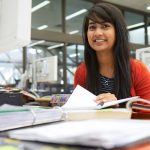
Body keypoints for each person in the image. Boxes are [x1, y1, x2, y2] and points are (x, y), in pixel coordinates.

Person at [74, 2, 150, 106]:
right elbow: (78, 110)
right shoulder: (82, 72)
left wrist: (117, 108)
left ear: (118, 31)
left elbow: (147, 114)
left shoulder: (138, 69)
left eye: (105, 26)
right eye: (92, 27)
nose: (97, 33)